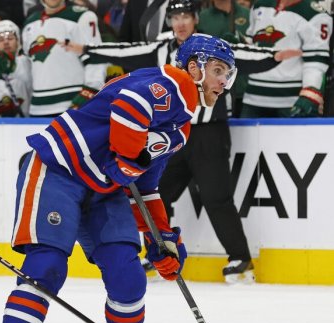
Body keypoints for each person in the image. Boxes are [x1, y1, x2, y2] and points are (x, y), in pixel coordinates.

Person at [0, 34, 236, 323]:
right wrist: (129, 155)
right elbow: (128, 106)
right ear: (194, 68)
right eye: (218, 71)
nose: (223, 82)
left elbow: (145, 186)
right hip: (59, 169)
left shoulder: (180, 128)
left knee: (127, 273)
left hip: (103, 190)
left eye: (227, 74)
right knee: (47, 266)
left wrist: (160, 237)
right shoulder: (169, 83)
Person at [67, 0, 303, 283]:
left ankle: (240, 258)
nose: (180, 23)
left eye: (185, 17)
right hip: (171, 134)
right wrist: (89, 49)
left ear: (195, 19)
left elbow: (243, 56)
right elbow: (126, 51)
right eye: (175, 17)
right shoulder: (160, 48)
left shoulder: (213, 50)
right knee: (157, 191)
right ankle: (157, 251)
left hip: (208, 134)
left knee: (217, 197)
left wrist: (273, 56)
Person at [241, 0, 332, 117]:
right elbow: (253, 42)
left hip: (291, 101)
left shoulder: (315, 14)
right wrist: (238, 44)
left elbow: (316, 61)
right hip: (253, 97)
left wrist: (310, 92)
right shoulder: (260, 5)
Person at [22, 0, 105, 117]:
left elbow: (97, 58)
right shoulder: (30, 23)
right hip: (37, 108)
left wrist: (89, 92)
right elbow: (27, 67)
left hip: (73, 103)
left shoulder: (81, 16)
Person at [0, 19, 32, 117]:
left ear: (18, 42)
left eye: (10, 38)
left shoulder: (29, 64)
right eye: (1, 40)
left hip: (31, 121)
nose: (6, 42)